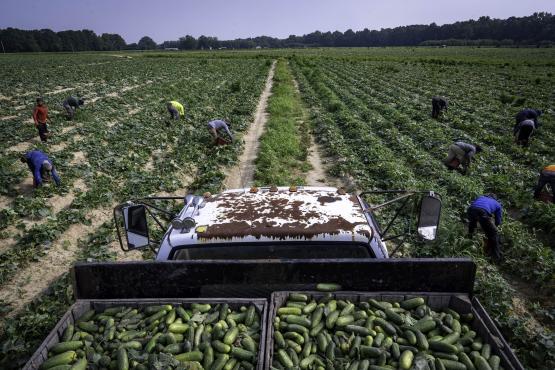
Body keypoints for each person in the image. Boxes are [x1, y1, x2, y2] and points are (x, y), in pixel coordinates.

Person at [467, 194, 502, 262]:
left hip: (471, 209)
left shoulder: (481, 197)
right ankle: (496, 257)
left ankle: (468, 243)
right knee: (494, 234)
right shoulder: (497, 204)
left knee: (472, 226)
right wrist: (492, 228)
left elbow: (474, 204)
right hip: (483, 211)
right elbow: (498, 221)